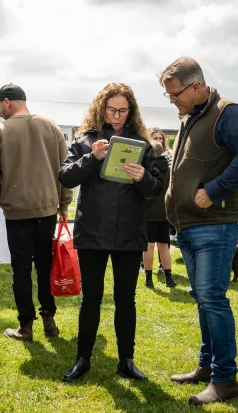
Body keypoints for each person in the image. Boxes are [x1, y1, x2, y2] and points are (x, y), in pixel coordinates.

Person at [160, 57, 238, 405]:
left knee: (212, 300)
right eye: (168, 95)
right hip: (190, 225)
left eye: (174, 94)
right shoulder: (192, 115)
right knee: (203, 300)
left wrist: (214, 190)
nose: (172, 100)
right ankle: (207, 367)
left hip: (217, 223)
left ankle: (225, 380)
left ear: (196, 86)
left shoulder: (227, 111)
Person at [58, 82, 164, 383]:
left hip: (129, 232)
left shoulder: (142, 144)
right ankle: (83, 358)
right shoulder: (86, 140)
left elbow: (156, 189)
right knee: (91, 299)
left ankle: (126, 360)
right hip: (92, 230)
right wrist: (92, 158)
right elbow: (64, 175)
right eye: (111, 109)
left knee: (125, 300)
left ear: (131, 111)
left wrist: (143, 176)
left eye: (122, 110)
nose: (116, 116)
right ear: (101, 108)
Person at [0, 83, 72, 342]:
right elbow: (65, 169)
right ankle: (49, 320)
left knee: (20, 270)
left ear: (8, 102)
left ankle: (26, 326)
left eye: (0, 106)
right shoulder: (51, 127)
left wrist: (3, 197)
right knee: (45, 265)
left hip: (16, 211)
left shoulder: (0, 131)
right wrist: (63, 203)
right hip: (47, 208)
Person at [141, 130, 176, 289]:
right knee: (164, 247)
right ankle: (169, 277)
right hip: (163, 213)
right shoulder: (168, 169)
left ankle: (148, 278)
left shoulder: (146, 169)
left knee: (148, 247)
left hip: (148, 213)